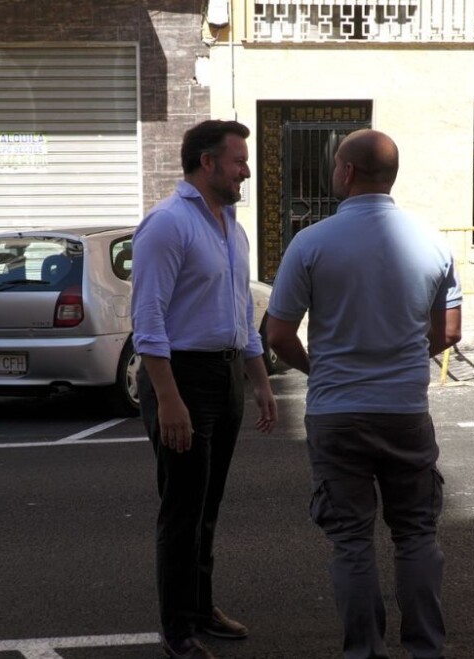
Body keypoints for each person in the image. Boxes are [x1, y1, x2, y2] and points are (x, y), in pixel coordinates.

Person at [265, 129, 462, 659]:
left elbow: (279, 336)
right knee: (416, 535)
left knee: (351, 541)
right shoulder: (433, 241)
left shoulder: (311, 243)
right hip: (404, 410)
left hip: (337, 413)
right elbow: (448, 332)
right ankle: (425, 649)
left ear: (346, 172)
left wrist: (318, 370)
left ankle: (365, 652)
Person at [131, 119, 278, 659]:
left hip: (224, 376)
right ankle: (177, 630)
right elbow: (147, 319)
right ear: (207, 163)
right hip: (183, 378)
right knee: (182, 509)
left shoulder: (231, 227)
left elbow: (241, 312)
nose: (246, 170)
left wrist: (260, 381)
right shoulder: (168, 224)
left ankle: (200, 607)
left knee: (207, 506)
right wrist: (168, 397)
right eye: (239, 161)